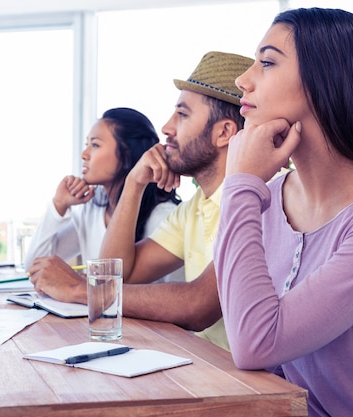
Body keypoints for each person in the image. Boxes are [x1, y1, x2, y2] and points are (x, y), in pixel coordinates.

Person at [214, 7, 353, 417]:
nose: (242, 80)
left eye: (266, 63)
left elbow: (255, 343)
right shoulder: (268, 197)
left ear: (326, 80)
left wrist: (240, 184)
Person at [30, 52, 254, 351]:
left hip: (247, 382)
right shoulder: (194, 208)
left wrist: (77, 289)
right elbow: (123, 275)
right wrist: (134, 184)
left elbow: (198, 306)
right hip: (207, 367)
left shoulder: (258, 199)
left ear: (224, 132)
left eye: (182, 115)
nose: (166, 127)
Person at [25, 107, 184, 285]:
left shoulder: (164, 217)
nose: (84, 155)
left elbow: (178, 292)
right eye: (87, 145)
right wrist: (58, 205)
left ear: (127, 155)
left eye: (95, 145)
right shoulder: (91, 210)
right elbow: (34, 267)